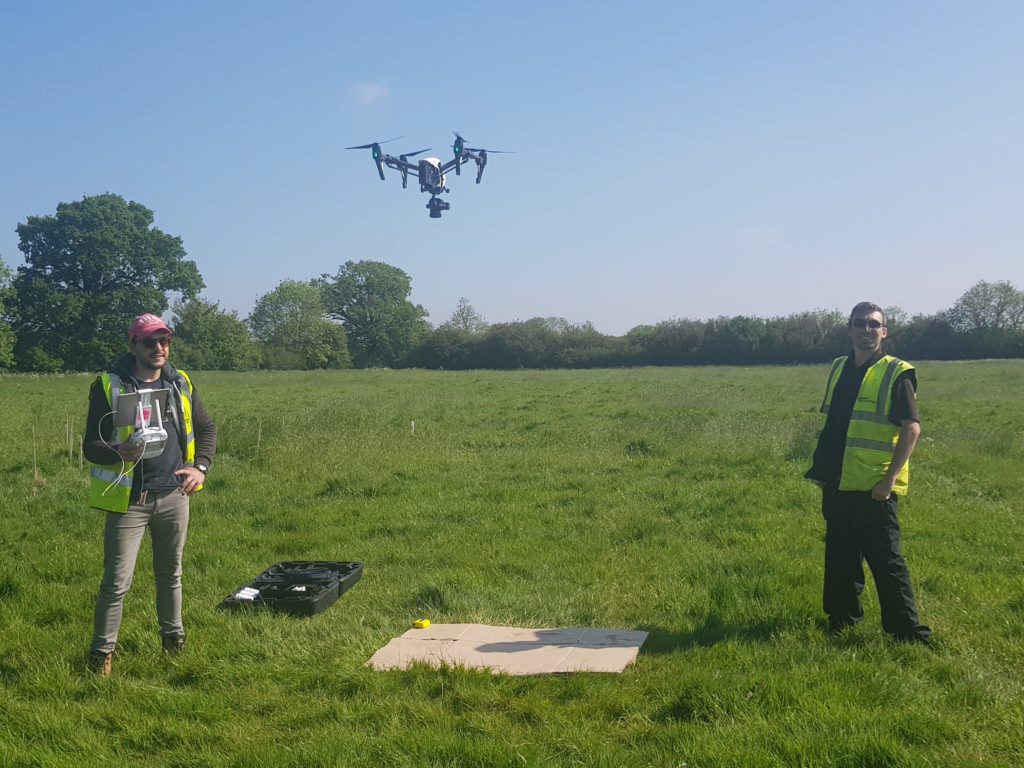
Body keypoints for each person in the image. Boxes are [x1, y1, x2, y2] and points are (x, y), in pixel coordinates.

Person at [83, 313, 216, 675]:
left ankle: (174, 643)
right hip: (129, 501)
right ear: (134, 346)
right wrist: (116, 451)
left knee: (171, 574)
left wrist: (199, 468)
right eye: (149, 342)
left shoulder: (181, 382)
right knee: (116, 583)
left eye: (165, 341)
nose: (159, 348)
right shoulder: (109, 386)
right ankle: (101, 656)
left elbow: (205, 428)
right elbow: (90, 447)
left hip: (174, 496)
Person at [805, 302, 931, 644]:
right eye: (859, 324)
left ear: (884, 332)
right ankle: (842, 619)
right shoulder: (839, 367)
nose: (866, 330)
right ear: (850, 329)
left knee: (887, 562)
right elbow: (835, 424)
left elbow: (912, 429)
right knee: (840, 557)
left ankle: (907, 632)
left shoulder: (897, 372)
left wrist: (889, 479)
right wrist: (822, 470)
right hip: (838, 481)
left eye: (873, 324)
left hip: (876, 488)